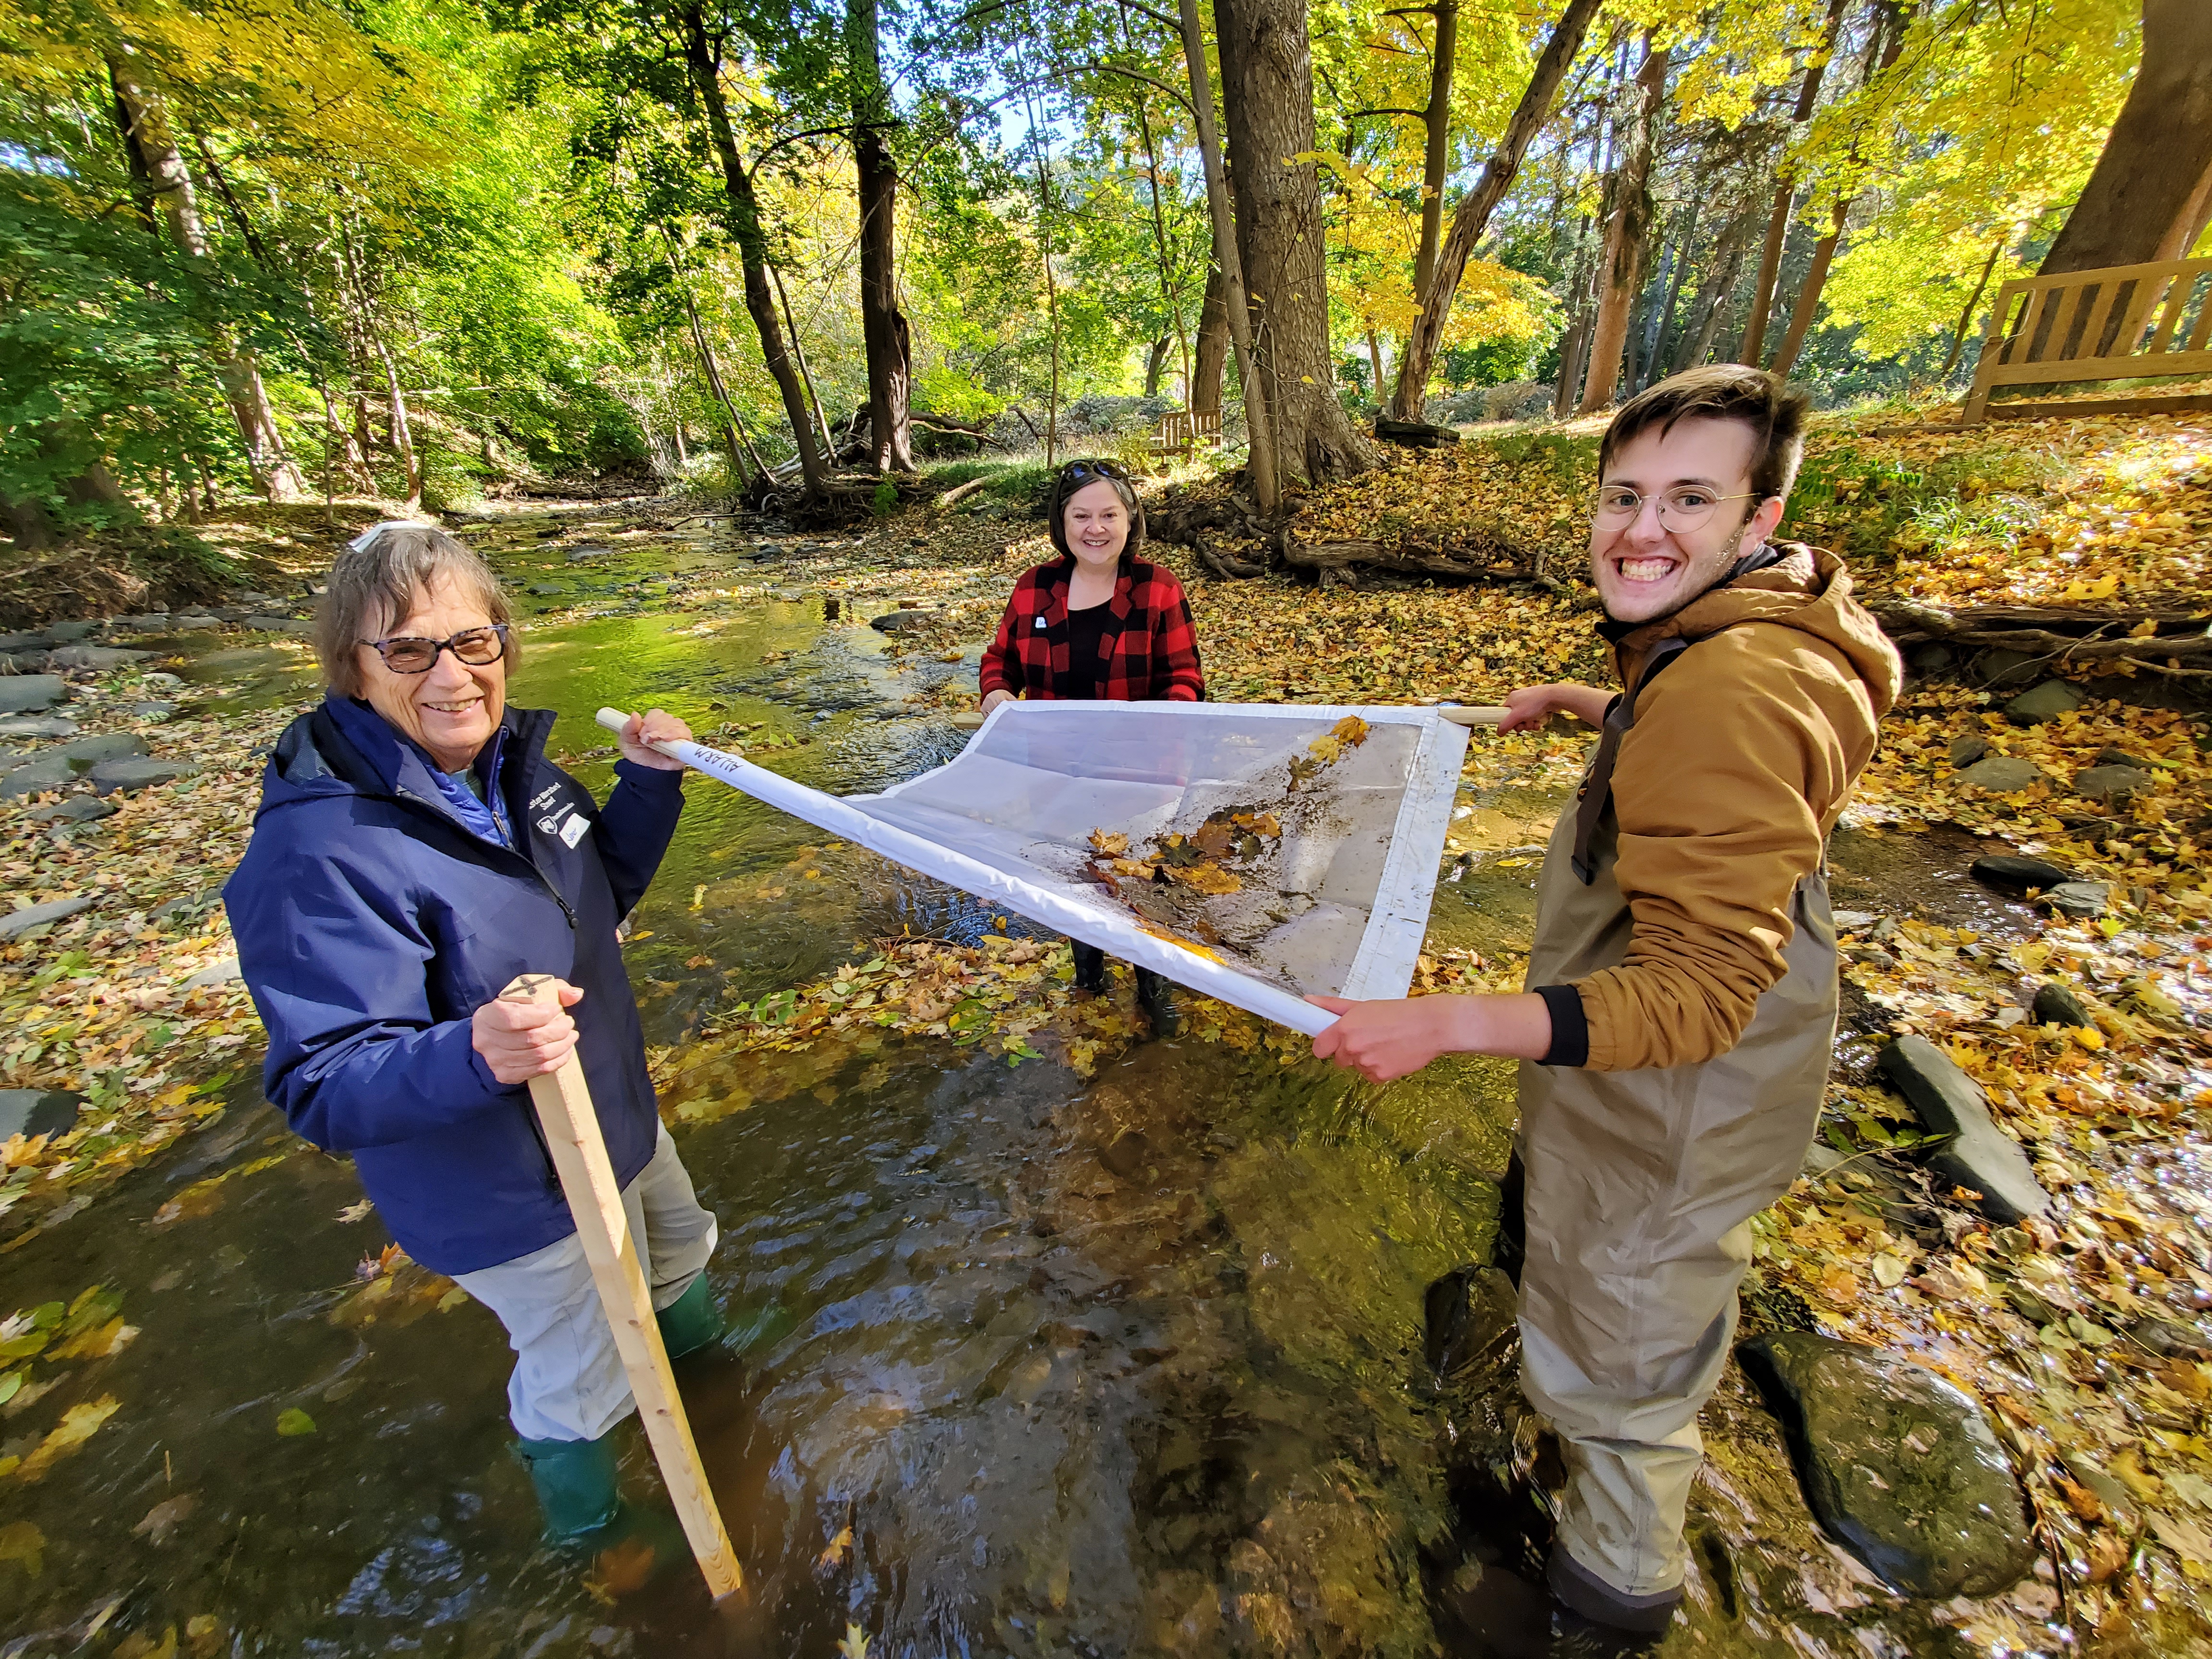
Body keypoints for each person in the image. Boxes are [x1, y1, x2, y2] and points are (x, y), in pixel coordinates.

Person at [1308, 367, 1902, 1643]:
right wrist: (1608, 711)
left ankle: (1604, 1595)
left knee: (1625, 1376)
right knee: (1644, 1302)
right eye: (1624, 493)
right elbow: (1738, 792)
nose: (1643, 528)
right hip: (1716, 1093)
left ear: (1758, 514)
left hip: (1675, 1101)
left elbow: (1696, 996)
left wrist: (1449, 1021)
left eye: (1691, 498)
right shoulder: (1771, 635)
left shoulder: (1729, 691)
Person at [225, 522, 718, 1545]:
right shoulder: (318, 852)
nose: (452, 675)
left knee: (681, 1250)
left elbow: (599, 894)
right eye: (409, 650)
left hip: (617, 1122)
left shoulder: (519, 775)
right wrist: (475, 1049)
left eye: (474, 642)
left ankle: (716, 1384)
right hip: (514, 1196)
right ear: (353, 672)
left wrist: (646, 785)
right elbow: (321, 1085)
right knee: (582, 1376)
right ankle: (595, 1539)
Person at [979, 457, 1204, 1034]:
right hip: (1056, 773)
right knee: (1077, 879)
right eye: (1082, 515)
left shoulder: (1159, 588)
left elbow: (1187, 679)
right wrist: (997, 692)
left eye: (1109, 514)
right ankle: (1089, 981)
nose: (1095, 528)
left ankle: (1154, 989)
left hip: (1144, 773)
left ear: (1131, 520)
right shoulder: (1035, 587)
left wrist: (1159, 720)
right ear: (1063, 523)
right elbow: (1000, 662)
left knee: (1139, 880)